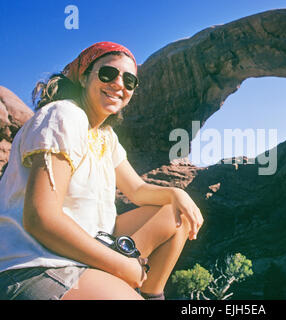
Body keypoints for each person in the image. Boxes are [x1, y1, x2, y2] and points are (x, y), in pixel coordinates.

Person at [0, 41, 204, 300]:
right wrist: (123, 266)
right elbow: (41, 218)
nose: (119, 84)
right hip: (34, 266)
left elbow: (138, 190)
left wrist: (177, 194)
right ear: (84, 78)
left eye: (129, 81)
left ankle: (152, 295)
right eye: (108, 74)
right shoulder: (64, 115)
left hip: (81, 254)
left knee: (179, 216)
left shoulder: (106, 138)